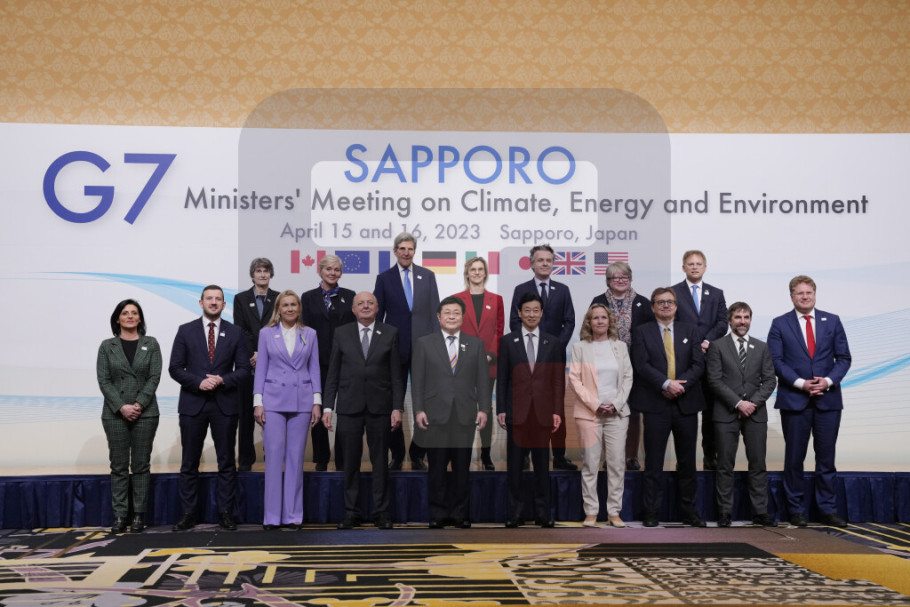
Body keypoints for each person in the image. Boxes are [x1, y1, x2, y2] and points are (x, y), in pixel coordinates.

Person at [768, 276, 851, 528]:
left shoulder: (832, 321)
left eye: (809, 292)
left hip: (828, 400)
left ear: (815, 294)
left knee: (826, 459)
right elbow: (776, 361)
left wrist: (827, 381)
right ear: (791, 296)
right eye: (799, 293)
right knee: (794, 459)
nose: (805, 297)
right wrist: (801, 384)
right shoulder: (779, 323)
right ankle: (796, 510)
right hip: (795, 400)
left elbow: (844, 358)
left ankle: (827, 510)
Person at [169, 285, 251, 531]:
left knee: (226, 462)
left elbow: (244, 370)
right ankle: (188, 514)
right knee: (189, 462)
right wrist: (199, 382)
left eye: (218, 299)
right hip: (193, 404)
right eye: (209, 298)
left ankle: (225, 513)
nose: (213, 302)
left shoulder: (235, 332)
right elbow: (175, 368)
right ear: (201, 302)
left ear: (224, 305)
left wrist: (222, 379)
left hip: (225, 405)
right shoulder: (185, 330)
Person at [323, 292, 404, 530]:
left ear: (377, 308)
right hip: (349, 406)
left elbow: (396, 376)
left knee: (380, 462)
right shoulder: (342, 333)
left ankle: (381, 512)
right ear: (353, 309)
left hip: (381, 407)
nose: (366, 306)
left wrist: (397, 407)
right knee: (350, 462)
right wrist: (328, 406)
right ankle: (351, 512)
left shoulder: (390, 332)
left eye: (370, 303)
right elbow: (333, 373)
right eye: (361, 303)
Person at [629, 287, 706, 528]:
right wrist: (665, 383)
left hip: (686, 404)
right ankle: (651, 511)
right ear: (652, 307)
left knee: (687, 462)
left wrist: (679, 386)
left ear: (676, 306)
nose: (665, 305)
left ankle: (690, 512)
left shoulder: (690, 330)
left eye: (670, 302)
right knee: (653, 462)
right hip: (655, 404)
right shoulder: (641, 332)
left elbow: (698, 364)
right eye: (660, 302)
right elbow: (641, 364)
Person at [413, 296, 491, 528]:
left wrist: (484, 409)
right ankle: (437, 514)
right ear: (439, 317)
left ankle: (459, 514)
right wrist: (419, 409)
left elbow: (483, 381)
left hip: (465, 415)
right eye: (447, 312)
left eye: (456, 313)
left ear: (462, 317)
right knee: (436, 467)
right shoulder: (424, 343)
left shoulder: (475, 344)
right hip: (435, 414)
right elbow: (417, 381)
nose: (452, 316)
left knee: (461, 468)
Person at [253, 290, 321, 530]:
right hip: (272, 401)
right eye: (285, 305)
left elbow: (314, 369)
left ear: (299, 308)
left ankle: (293, 515)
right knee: (273, 458)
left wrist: (317, 401)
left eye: (294, 304)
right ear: (278, 309)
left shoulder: (310, 334)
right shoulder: (266, 334)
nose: (290, 308)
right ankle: (272, 517)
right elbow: (261, 369)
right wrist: (258, 402)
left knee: (295, 459)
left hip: (302, 402)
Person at [498, 291, 565, 528]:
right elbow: (503, 378)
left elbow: (558, 381)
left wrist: (557, 411)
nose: (531, 314)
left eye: (536, 310)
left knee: (542, 467)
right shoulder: (508, 341)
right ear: (519, 313)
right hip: (516, 413)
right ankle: (514, 514)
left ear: (542, 313)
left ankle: (543, 514)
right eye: (527, 310)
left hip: (543, 414)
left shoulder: (553, 342)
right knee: (515, 467)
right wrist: (501, 409)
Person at [706, 302, 777, 527]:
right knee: (724, 465)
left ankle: (760, 512)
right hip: (726, 413)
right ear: (730, 320)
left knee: (758, 464)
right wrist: (738, 403)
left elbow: (770, 380)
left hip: (755, 414)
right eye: (738, 317)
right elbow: (714, 380)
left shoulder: (762, 347)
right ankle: (725, 513)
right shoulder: (717, 346)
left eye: (746, 317)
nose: (742, 321)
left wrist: (751, 404)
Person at [374, 232, 440, 470]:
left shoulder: (428, 276)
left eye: (410, 248)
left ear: (414, 251)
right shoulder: (384, 279)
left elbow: (435, 313)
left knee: (428, 403)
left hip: (424, 349)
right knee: (394, 403)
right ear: (395, 251)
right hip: (394, 350)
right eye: (402, 248)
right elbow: (377, 317)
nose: (406, 252)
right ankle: (398, 454)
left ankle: (418, 453)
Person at [509, 244, 576, 470]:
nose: (545, 263)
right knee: (529, 404)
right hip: (527, 358)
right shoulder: (521, 289)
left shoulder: (563, 290)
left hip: (554, 358)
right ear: (532, 264)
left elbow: (569, 321)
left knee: (556, 404)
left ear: (553, 263)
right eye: (540, 260)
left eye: (549, 260)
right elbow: (514, 321)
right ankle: (526, 454)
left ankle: (559, 455)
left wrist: (554, 348)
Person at [96, 299, 161, 534]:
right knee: (119, 466)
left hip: (146, 413)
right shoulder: (107, 346)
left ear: (140, 318)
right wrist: (122, 407)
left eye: (134, 313)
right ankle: (120, 515)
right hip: (115, 414)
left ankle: (139, 515)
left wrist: (138, 404)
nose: (130, 316)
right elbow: (104, 380)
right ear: (118, 318)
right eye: (125, 313)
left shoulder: (151, 343)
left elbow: (154, 377)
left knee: (141, 465)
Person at [567, 303, 633, 528]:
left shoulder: (620, 346)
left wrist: (615, 404)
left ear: (609, 321)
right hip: (589, 414)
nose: (600, 321)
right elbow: (574, 379)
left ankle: (614, 512)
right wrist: (596, 404)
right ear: (589, 322)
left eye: (603, 317)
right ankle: (591, 512)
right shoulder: (580, 347)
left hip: (617, 414)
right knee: (590, 463)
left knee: (616, 464)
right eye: (595, 318)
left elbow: (628, 377)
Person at [591, 260, 654, 471]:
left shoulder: (643, 303)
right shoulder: (598, 301)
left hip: (636, 365)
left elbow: (650, 336)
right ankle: (610, 457)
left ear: (630, 279)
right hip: (606, 364)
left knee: (633, 411)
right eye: (615, 277)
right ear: (608, 280)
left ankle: (631, 456)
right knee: (608, 410)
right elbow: (590, 330)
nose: (620, 280)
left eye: (624, 277)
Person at [673, 250, 727, 470]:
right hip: (684, 361)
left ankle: (709, 456)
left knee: (710, 412)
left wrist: (707, 341)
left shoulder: (716, 293)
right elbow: (672, 323)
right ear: (683, 267)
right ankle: (684, 461)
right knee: (685, 413)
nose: (694, 267)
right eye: (690, 264)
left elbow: (723, 322)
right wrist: (693, 345)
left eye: (698, 264)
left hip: (710, 359)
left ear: (705, 267)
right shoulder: (673, 292)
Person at [300, 254, 355, 471]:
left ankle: (342, 458)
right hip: (317, 363)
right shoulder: (307, 297)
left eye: (337, 270)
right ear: (320, 271)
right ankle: (321, 458)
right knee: (318, 409)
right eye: (328, 269)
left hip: (346, 362)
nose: (333, 273)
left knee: (345, 412)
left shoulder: (350, 296)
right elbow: (303, 330)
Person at [452, 256, 504, 470]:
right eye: (473, 269)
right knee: (463, 408)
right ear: (467, 273)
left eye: (480, 269)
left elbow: (499, 330)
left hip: (489, 363)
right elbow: (453, 329)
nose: (476, 272)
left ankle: (486, 454)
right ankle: (461, 453)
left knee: (485, 408)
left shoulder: (497, 299)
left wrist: (490, 354)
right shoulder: (456, 299)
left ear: (485, 273)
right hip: (463, 364)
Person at [233, 258, 279, 471]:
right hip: (247, 361)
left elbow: (279, 328)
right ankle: (245, 460)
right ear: (252, 275)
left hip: (274, 363)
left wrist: (264, 352)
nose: (262, 275)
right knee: (245, 413)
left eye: (266, 271)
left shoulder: (278, 298)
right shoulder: (240, 299)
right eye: (258, 271)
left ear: (271, 275)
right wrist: (254, 353)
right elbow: (240, 329)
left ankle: (272, 456)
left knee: (271, 415)